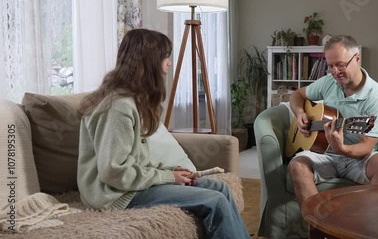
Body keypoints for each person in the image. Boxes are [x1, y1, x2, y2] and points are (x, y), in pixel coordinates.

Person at [76, 28, 250, 239]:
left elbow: (136, 159)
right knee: (216, 201)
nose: (169, 63)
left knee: (219, 187)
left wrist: (170, 171)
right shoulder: (118, 107)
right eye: (164, 57)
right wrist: (167, 177)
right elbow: (114, 172)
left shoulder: (132, 101)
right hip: (117, 195)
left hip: (130, 186)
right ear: (147, 61)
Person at [288, 35, 378, 207]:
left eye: (340, 64)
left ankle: (366, 223)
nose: (335, 71)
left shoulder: (376, 97)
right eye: (330, 66)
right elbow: (297, 95)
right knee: (297, 165)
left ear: (357, 58)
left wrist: (342, 148)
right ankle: (318, 225)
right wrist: (300, 112)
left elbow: (366, 147)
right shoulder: (328, 82)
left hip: (359, 159)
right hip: (324, 154)